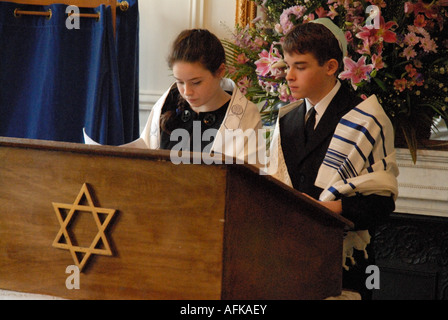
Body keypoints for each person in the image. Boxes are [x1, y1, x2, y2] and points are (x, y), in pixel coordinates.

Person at [268, 19, 399, 299]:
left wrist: (326, 208)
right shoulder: (287, 119)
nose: (289, 76)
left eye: (300, 67)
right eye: (287, 66)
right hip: (289, 258)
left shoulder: (366, 119)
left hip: (344, 264)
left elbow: (381, 202)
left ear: (330, 67)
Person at [140, 29, 262, 163]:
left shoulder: (244, 115)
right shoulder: (168, 101)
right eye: (180, 81)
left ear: (220, 71)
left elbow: (246, 178)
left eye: (196, 82)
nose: (187, 91)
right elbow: (145, 150)